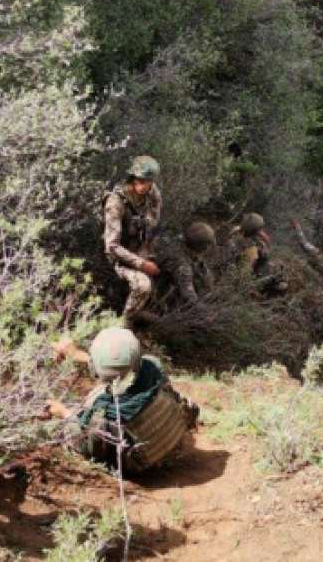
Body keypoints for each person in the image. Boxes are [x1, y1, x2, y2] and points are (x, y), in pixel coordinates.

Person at [64, 327, 199, 473]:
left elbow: (85, 443)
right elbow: (121, 369)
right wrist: (77, 355)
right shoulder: (153, 368)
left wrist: (64, 413)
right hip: (171, 441)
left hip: (143, 467)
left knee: (76, 421)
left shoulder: (105, 413)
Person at [103, 156, 163, 319]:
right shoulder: (116, 202)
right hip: (120, 256)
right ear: (133, 177)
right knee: (143, 286)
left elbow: (153, 222)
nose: (142, 186)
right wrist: (142, 264)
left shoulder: (153, 192)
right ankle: (125, 322)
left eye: (147, 181)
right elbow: (112, 246)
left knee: (169, 266)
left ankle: (146, 310)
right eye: (139, 180)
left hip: (140, 247)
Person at [153, 221, 217, 307]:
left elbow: (207, 280)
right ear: (204, 247)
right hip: (163, 303)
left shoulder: (183, 248)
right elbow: (189, 297)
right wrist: (206, 311)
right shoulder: (182, 264)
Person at [233, 212, 288, 294]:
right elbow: (244, 276)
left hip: (254, 267)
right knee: (282, 285)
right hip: (250, 279)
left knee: (279, 264)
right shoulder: (252, 250)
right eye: (260, 228)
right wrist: (270, 279)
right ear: (256, 230)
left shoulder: (238, 233)